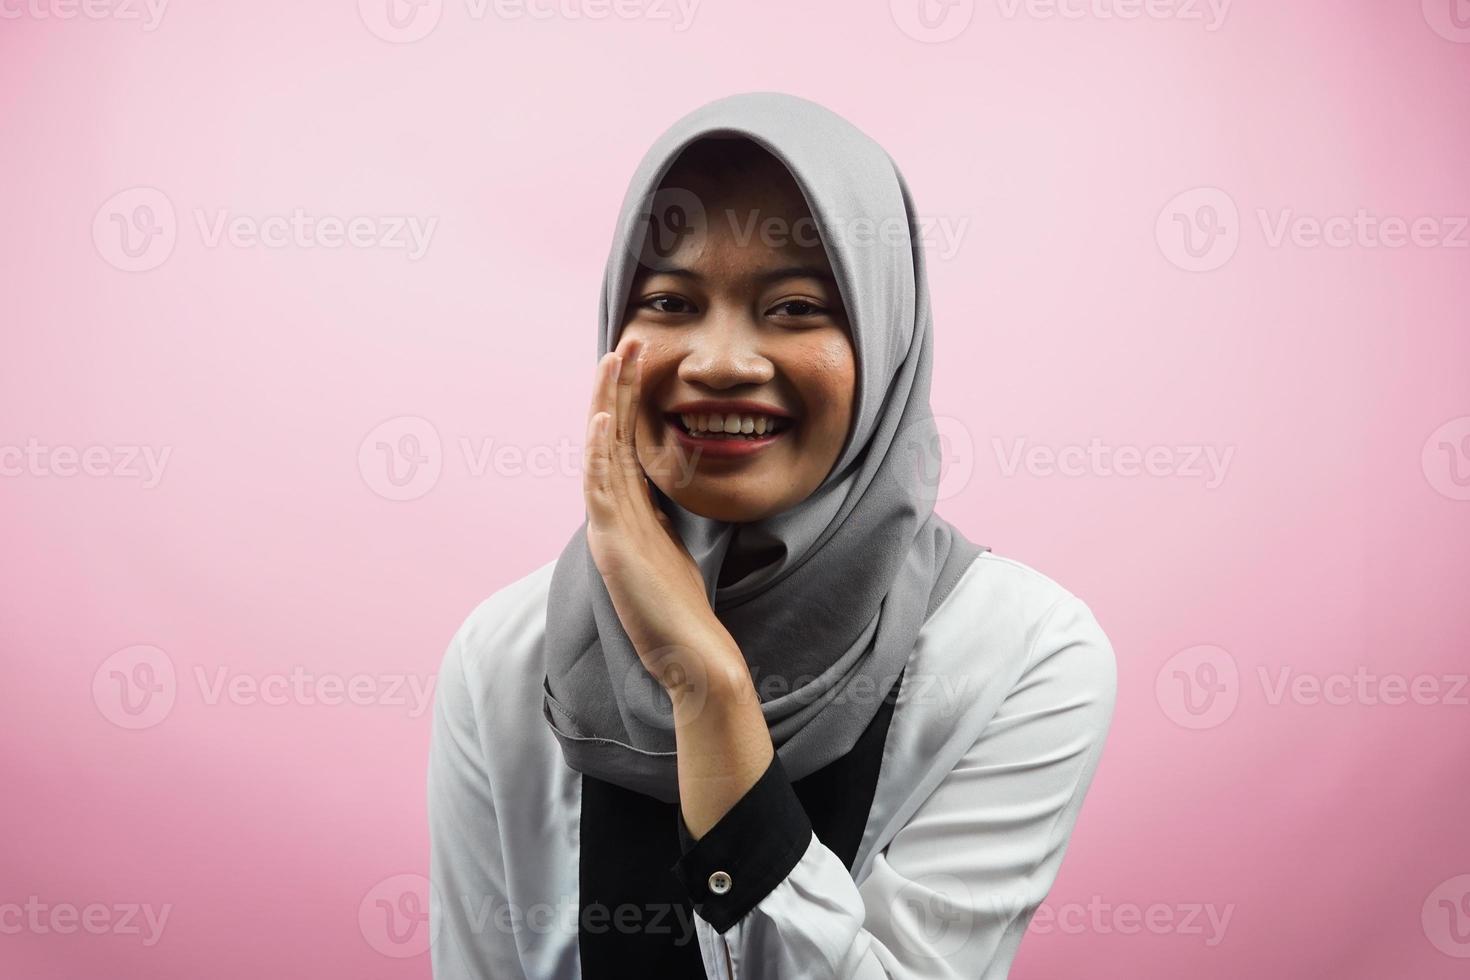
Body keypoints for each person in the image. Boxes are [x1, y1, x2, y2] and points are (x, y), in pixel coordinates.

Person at [428, 91, 1116, 979]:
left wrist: (706, 685)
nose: (718, 363)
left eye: (795, 307)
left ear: (888, 334)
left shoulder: (1022, 654)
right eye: (670, 301)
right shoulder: (508, 658)